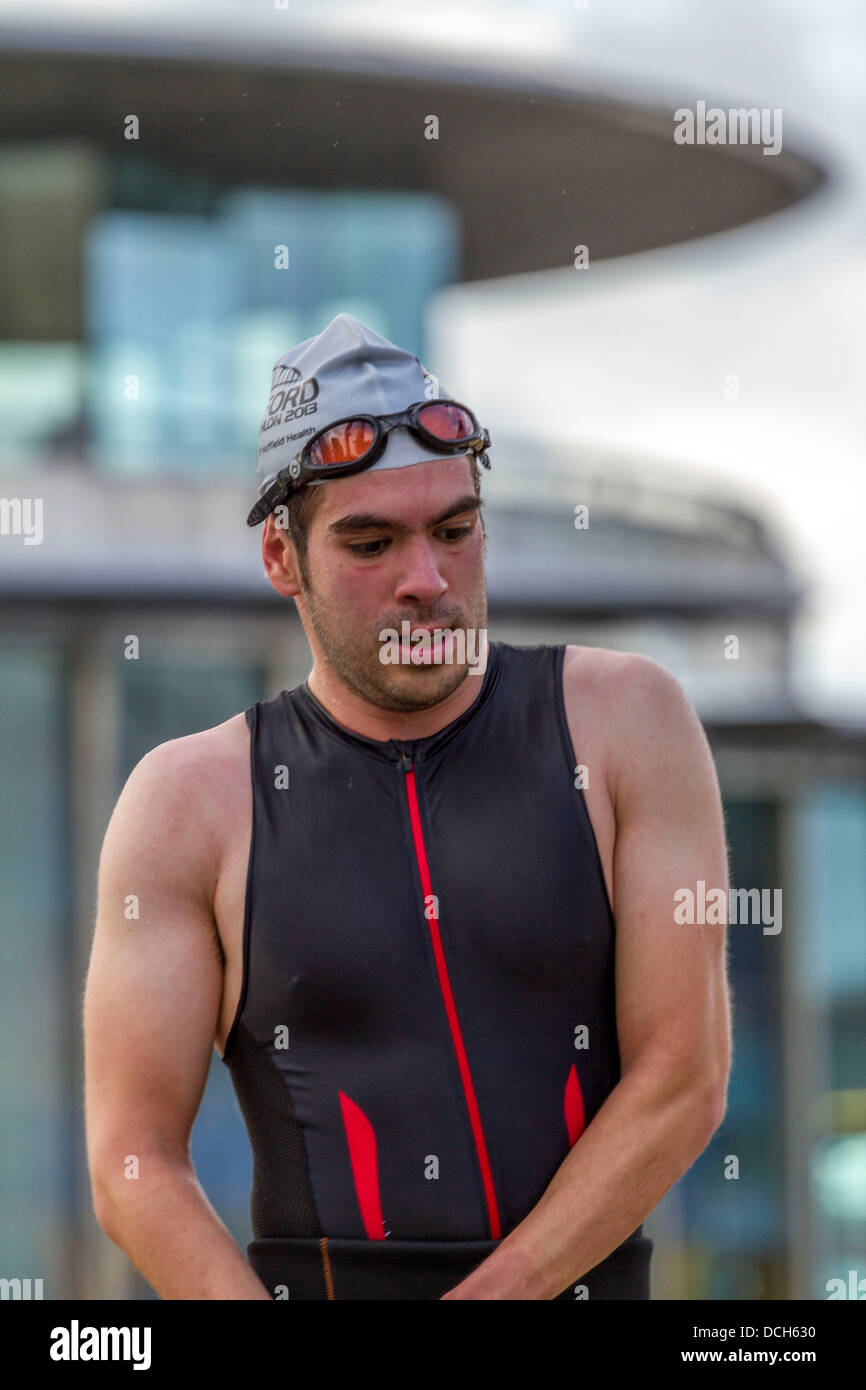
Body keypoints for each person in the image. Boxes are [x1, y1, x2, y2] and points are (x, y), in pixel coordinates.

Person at [84, 313, 731, 1300]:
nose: (424, 581)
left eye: (454, 531)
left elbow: (682, 1076)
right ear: (281, 558)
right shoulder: (190, 803)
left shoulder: (622, 726)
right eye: (370, 542)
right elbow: (132, 1163)